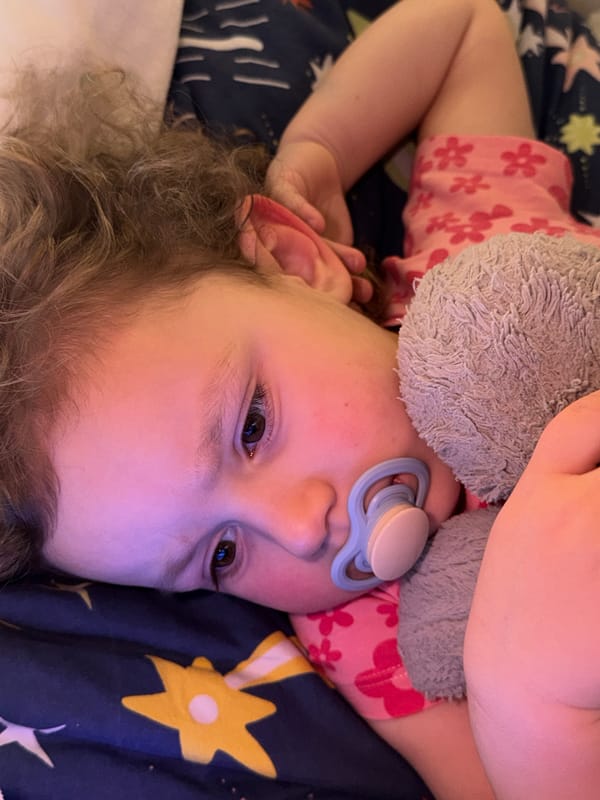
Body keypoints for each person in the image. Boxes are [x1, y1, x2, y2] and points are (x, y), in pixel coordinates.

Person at [0, 2, 596, 799]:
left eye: (252, 426)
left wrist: (322, 148)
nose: (299, 524)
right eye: (220, 555)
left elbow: (463, 27)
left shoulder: (476, 253)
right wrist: (528, 704)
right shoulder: (369, 638)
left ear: (293, 256)